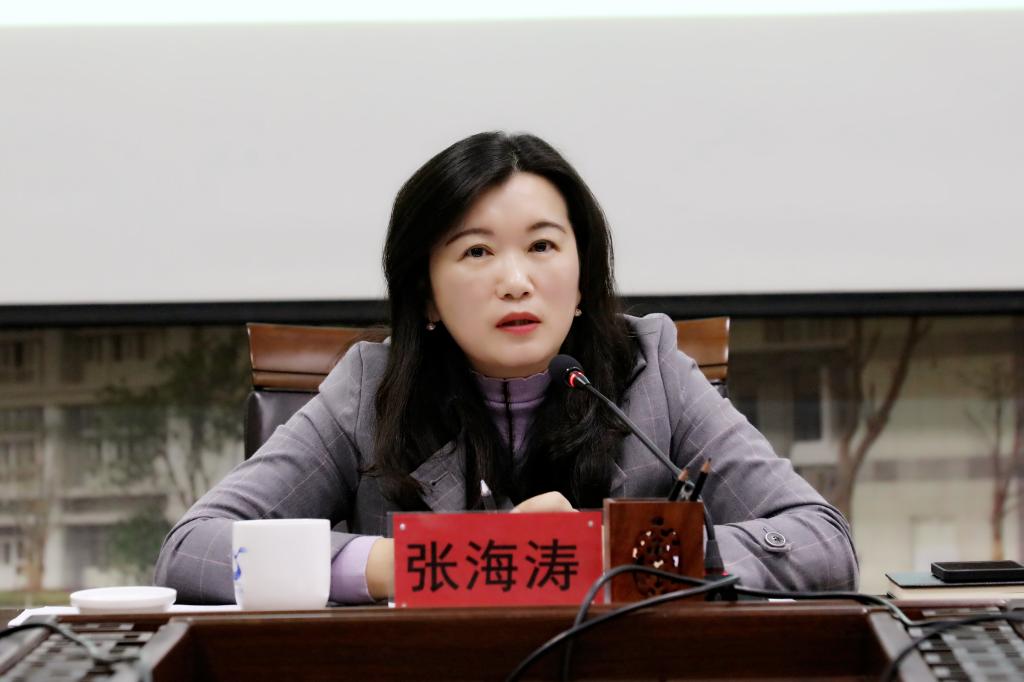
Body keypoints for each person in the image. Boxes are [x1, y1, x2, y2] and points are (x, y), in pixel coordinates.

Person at [154, 132, 858, 604]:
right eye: (477, 252)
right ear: (427, 294)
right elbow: (192, 550)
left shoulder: (652, 371)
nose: (516, 282)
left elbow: (822, 542)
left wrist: (608, 550)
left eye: (543, 247)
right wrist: (421, 564)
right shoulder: (371, 388)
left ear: (582, 276)